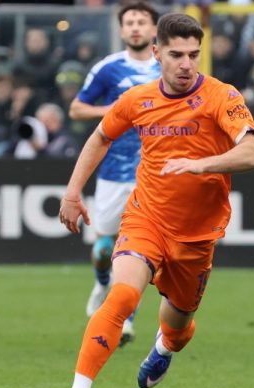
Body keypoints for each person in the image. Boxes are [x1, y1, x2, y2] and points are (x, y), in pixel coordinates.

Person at [58, 13, 254, 388]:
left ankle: (164, 348)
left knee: (179, 327)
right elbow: (100, 136)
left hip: (196, 236)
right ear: (156, 54)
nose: (186, 64)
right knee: (121, 298)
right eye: (176, 55)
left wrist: (200, 164)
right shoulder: (138, 99)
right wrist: (72, 192)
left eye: (193, 54)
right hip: (146, 218)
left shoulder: (222, 97)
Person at [68, 1, 162, 346]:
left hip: (155, 175)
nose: (135, 27)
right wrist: (114, 110)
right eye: (130, 22)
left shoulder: (168, 68)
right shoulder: (108, 69)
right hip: (113, 172)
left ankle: (125, 319)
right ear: (121, 30)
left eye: (142, 22)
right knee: (105, 248)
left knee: (139, 249)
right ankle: (102, 281)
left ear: (154, 29)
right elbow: (76, 108)